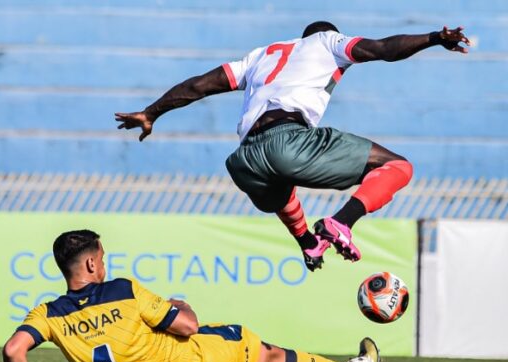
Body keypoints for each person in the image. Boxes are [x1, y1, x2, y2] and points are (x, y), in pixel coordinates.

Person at [115, 22, 469, 271]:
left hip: (244, 161)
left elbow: (199, 86)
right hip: (288, 139)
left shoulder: (261, 56)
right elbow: (383, 50)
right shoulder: (328, 42)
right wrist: (435, 37)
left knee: (282, 188)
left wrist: (151, 113)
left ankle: (308, 243)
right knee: (398, 167)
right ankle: (341, 223)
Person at [2, 229, 382, 362]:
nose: (104, 264)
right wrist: (180, 303)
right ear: (89, 262)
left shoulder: (50, 314)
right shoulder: (122, 289)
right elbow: (187, 327)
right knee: (267, 354)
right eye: (102, 259)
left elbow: (13, 349)